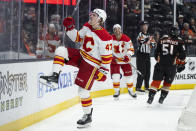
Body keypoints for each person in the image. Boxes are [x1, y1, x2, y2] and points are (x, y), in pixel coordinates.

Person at [40, 9, 113, 128]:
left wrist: (104, 71)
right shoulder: (87, 26)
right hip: (81, 55)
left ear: (100, 19)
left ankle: (88, 115)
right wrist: (70, 28)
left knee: (83, 92)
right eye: (91, 14)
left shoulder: (105, 37)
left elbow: (107, 57)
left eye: (93, 15)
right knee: (61, 50)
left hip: (91, 64)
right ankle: (54, 77)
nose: (91, 16)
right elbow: (77, 38)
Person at [147, 25, 186, 104]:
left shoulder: (163, 38)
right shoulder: (180, 41)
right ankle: (162, 98)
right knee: (167, 84)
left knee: (156, 82)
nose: (177, 33)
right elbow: (183, 55)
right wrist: (181, 64)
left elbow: (156, 53)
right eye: (176, 31)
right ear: (172, 31)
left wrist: (159, 60)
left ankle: (150, 98)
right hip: (171, 66)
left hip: (160, 65)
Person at [111, 24, 136, 99]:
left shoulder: (126, 38)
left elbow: (131, 49)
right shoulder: (110, 39)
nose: (117, 30)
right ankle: (116, 91)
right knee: (115, 77)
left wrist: (128, 56)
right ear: (113, 31)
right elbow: (106, 49)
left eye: (118, 29)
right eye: (115, 29)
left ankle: (131, 90)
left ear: (121, 29)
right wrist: (110, 57)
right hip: (115, 61)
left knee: (129, 77)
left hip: (125, 61)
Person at [135, 21, 156, 93]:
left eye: (146, 25)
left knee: (148, 71)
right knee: (141, 71)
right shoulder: (140, 34)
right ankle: (138, 87)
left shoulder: (150, 35)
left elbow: (153, 44)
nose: (145, 27)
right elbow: (141, 41)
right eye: (143, 25)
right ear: (141, 27)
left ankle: (147, 87)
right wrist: (149, 40)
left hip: (147, 55)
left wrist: (149, 41)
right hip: (141, 54)